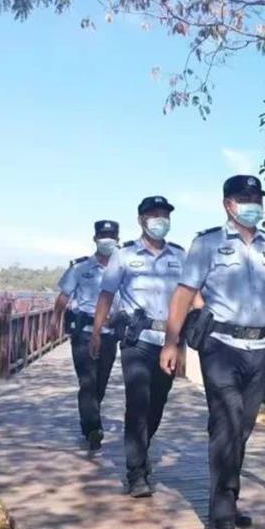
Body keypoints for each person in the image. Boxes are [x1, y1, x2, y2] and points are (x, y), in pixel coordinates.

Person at [161, 175, 265, 529]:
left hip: (260, 349)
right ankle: (221, 513)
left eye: (257, 198)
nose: (253, 204)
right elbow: (183, 294)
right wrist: (171, 342)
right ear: (228, 204)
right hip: (221, 347)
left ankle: (228, 500)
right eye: (245, 198)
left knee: (242, 428)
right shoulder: (207, 244)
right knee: (227, 422)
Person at [91, 196, 185, 498]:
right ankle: (135, 473)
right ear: (142, 220)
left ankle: (142, 452)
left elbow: (190, 296)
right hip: (137, 341)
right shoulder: (124, 255)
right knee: (138, 403)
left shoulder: (179, 256)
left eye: (165, 215)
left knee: (156, 405)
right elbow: (106, 294)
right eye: (154, 214)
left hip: (168, 341)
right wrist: (96, 332)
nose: (161, 220)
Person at [54, 219, 121, 453]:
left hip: (110, 334)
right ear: (95, 239)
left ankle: (91, 416)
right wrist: (54, 323)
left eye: (111, 236)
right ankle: (93, 428)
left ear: (118, 239)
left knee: (100, 383)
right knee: (87, 382)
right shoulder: (80, 268)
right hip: (83, 333)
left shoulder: (123, 268)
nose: (107, 240)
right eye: (103, 236)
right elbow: (63, 297)